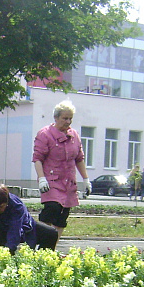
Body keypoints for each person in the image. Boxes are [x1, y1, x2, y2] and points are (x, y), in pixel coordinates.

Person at [33, 100, 91, 246]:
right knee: (52, 208)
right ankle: (40, 243)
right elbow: (38, 158)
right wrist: (42, 179)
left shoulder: (74, 135)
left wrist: (86, 179)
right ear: (56, 118)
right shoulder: (45, 134)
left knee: (62, 216)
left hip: (68, 183)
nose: (68, 121)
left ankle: (52, 247)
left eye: (70, 118)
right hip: (51, 181)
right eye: (65, 118)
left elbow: (79, 159)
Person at [0, 183, 58, 252]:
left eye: (1, 207)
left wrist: (8, 251)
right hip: (2, 233)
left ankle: (42, 259)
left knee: (51, 233)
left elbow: (14, 231)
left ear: (7, 202)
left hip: (27, 229)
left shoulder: (16, 206)